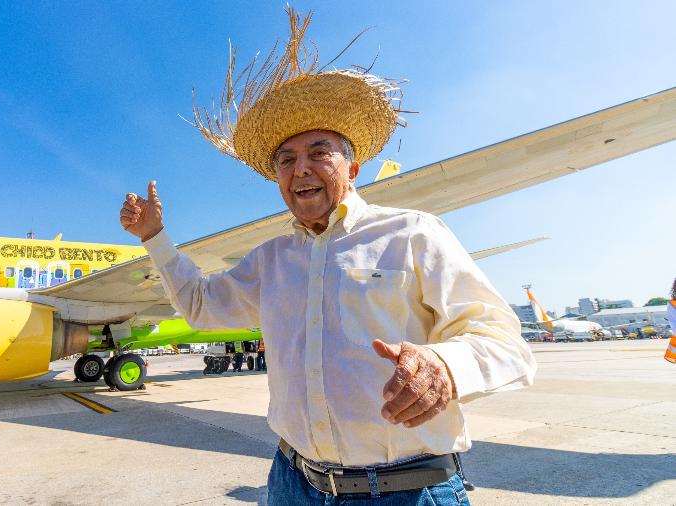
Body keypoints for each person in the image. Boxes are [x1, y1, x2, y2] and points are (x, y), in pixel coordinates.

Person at [119, 9, 536, 505]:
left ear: (353, 167)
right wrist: (156, 236)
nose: (301, 170)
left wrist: (444, 366)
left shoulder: (413, 233)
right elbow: (200, 305)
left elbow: (508, 345)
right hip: (293, 482)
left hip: (406, 490)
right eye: (286, 160)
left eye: (319, 152)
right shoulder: (270, 260)